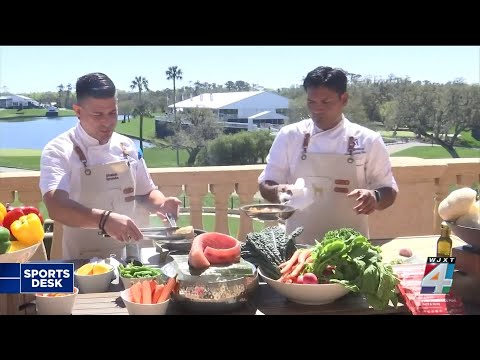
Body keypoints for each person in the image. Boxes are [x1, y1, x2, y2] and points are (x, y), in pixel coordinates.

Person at [39, 72, 181, 260]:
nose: (107, 122)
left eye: (112, 113)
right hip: (83, 261)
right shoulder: (58, 150)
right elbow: (56, 207)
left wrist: (161, 204)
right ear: (78, 111)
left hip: (130, 256)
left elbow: (146, 192)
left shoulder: (126, 146)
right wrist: (104, 220)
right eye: (97, 114)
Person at [258, 66, 398, 244]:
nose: (317, 109)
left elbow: (389, 191)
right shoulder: (290, 136)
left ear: (344, 99)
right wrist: (277, 191)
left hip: (351, 248)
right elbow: (266, 183)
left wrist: (375, 197)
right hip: (297, 248)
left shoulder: (368, 140)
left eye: (326, 102)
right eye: (312, 102)